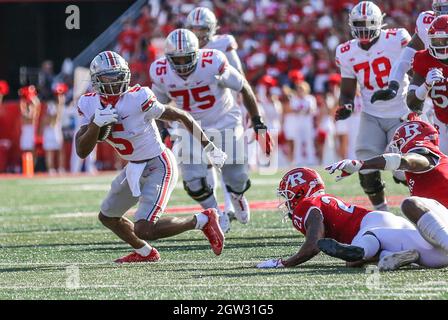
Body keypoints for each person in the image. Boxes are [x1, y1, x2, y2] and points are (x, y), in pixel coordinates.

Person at [75, 50, 227, 263]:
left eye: (118, 76)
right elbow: (82, 150)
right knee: (108, 217)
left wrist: (209, 147)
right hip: (134, 167)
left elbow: (180, 115)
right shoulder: (88, 103)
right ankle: (145, 252)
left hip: (159, 164)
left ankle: (203, 219)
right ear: (96, 80)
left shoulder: (138, 98)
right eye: (108, 77)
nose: (115, 82)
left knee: (145, 228)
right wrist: (95, 124)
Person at [149, 29, 272, 232]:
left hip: (224, 120)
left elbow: (243, 87)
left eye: (185, 58)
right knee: (193, 181)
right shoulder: (160, 71)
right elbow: (158, 106)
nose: (181, 65)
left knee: (237, 177)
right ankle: (216, 214)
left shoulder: (213, 62)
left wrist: (258, 123)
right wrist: (163, 131)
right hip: (190, 127)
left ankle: (238, 197)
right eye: (176, 60)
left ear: (196, 53)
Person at [325, 117, 448, 268]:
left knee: (410, 204)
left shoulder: (427, 157)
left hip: (443, 237)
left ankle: (399, 255)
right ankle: (396, 256)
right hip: (438, 251)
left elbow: (407, 161)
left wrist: (362, 165)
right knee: (370, 238)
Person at [256, 167, 425, 269]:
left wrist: (284, 263)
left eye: (288, 195)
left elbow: (314, 244)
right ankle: (392, 255)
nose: (287, 202)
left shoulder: (307, 204)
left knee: (354, 256)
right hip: (385, 220)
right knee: (428, 251)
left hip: (368, 231)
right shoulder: (323, 199)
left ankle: (382, 253)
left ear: (301, 191)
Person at [334, 1, 411, 211]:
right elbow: (348, 91)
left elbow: (415, 70)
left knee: (404, 169)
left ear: (379, 23)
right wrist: (347, 107)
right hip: (371, 114)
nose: (363, 27)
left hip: (402, 111)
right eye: (358, 23)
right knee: (365, 164)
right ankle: (382, 213)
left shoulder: (397, 39)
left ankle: (431, 205)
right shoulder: (346, 51)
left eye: (367, 22)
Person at [185, 7, 245, 223]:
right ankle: (217, 210)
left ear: (211, 29)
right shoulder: (183, 46)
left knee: (226, 161)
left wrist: (243, 109)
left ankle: (230, 205)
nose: (198, 33)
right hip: (194, 113)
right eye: (193, 28)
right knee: (204, 162)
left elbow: (239, 77)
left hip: (222, 110)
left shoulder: (222, 44)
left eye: (202, 28)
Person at [371, 0, 448, 103]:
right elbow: (405, 58)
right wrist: (393, 85)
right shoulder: (426, 22)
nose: (445, 13)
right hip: (436, 82)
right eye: (442, 9)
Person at [406, 15, 448, 154]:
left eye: (443, 40)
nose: (439, 44)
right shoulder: (424, 59)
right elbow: (412, 102)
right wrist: (425, 86)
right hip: (440, 121)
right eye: (436, 40)